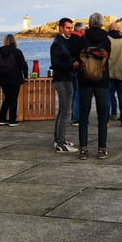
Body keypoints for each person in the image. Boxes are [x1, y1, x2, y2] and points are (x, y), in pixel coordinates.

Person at [76, 13, 111, 160]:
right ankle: (102, 149)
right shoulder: (106, 40)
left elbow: (77, 57)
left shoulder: (82, 39)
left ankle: (83, 150)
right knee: (102, 116)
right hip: (102, 81)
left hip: (85, 81)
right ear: (101, 24)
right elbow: (109, 57)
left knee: (84, 115)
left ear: (89, 24)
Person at [50, 17, 79, 153]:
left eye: (71, 28)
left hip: (65, 78)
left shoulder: (62, 42)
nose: (70, 30)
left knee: (62, 110)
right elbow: (56, 64)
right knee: (65, 111)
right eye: (68, 28)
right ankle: (60, 143)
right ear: (60, 28)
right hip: (62, 80)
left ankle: (58, 139)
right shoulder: (57, 44)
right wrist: (72, 65)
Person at [0, 34, 29, 126]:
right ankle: (12, 120)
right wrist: (25, 75)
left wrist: (2, 69)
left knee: (7, 98)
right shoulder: (17, 52)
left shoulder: (0, 51)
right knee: (13, 99)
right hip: (15, 78)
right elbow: (23, 65)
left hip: (3, 79)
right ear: (14, 41)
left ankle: (2, 119)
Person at [107, 21, 122, 127]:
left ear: (109, 29)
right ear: (118, 29)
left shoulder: (107, 40)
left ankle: (106, 121)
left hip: (109, 73)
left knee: (107, 97)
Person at [68, 21, 87, 125]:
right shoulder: (80, 40)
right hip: (78, 69)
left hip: (70, 68)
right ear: (81, 30)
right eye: (85, 29)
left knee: (74, 92)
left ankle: (74, 116)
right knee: (78, 93)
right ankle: (76, 118)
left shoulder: (69, 39)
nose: (86, 31)